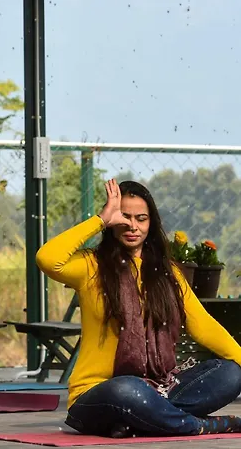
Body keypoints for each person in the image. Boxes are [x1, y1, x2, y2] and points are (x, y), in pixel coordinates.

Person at [36, 179, 241, 437]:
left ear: (151, 223)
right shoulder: (91, 266)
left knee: (230, 373)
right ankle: (199, 425)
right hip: (100, 394)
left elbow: (203, 325)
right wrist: (101, 219)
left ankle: (142, 420)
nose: (132, 226)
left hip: (160, 388)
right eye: (124, 217)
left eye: (141, 219)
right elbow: (47, 258)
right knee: (127, 389)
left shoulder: (169, 273)